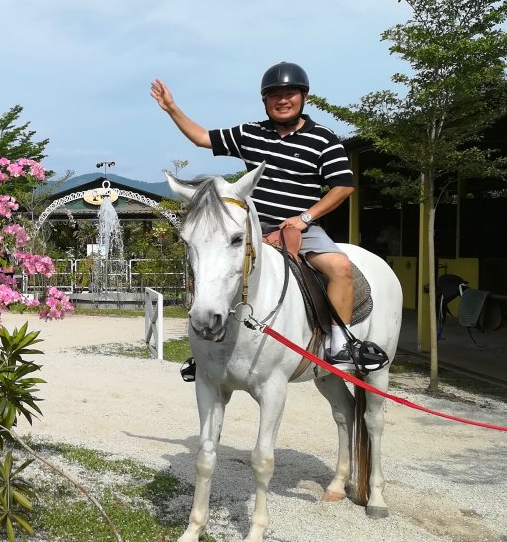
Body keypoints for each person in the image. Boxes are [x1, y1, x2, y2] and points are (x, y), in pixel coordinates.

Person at [151, 61, 362, 370]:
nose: (282, 100)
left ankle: (340, 345)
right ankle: (206, 351)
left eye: (290, 93)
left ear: (303, 97)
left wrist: (305, 218)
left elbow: (344, 186)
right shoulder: (251, 133)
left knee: (340, 267)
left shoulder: (324, 139)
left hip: (301, 228)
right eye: (274, 95)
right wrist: (172, 108)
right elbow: (202, 138)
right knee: (213, 266)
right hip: (252, 229)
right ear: (265, 101)